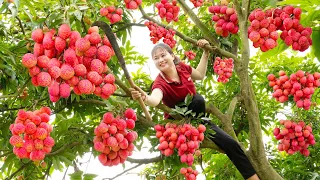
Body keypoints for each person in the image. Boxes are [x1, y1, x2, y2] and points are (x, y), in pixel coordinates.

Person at [129, 39, 260, 180]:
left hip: (199, 121)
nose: (160, 60)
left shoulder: (182, 68)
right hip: (178, 125)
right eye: (156, 58)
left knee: (231, 144)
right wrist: (144, 97)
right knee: (197, 99)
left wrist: (206, 52)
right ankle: (192, 137)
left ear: (172, 56)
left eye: (163, 55)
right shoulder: (159, 82)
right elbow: (155, 100)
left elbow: (200, 75)